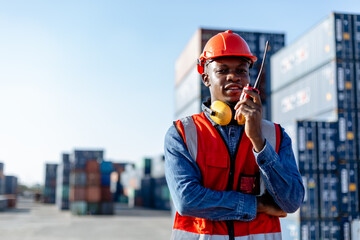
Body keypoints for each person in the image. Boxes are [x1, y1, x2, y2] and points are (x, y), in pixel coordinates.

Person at [164, 30, 304, 240]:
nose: (234, 76)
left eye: (241, 70)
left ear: (249, 77)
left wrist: (258, 141)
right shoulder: (182, 134)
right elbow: (187, 200)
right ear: (206, 78)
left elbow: (291, 201)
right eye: (222, 70)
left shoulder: (275, 135)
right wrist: (259, 205)